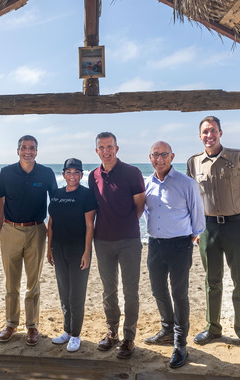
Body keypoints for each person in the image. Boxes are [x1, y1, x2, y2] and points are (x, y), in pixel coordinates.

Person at [186, 116, 240, 356]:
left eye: (213, 131)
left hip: (237, 228)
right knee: (212, 282)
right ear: (200, 136)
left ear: (221, 132)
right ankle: (213, 328)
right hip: (208, 229)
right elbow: (190, 200)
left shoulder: (239, 157)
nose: (209, 135)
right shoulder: (193, 163)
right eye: (205, 132)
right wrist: (192, 230)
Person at [143, 141, 205, 368]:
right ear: (150, 158)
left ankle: (180, 343)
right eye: (155, 155)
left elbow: (197, 214)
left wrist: (192, 236)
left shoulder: (185, 183)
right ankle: (167, 330)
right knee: (158, 290)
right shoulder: (146, 183)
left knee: (179, 294)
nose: (160, 159)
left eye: (164, 155)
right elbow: (146, 212)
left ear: (172, 157)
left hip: (180, 245)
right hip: (154, 245)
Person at [88, 132, 145, 359]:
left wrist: (126, 225)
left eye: (109, 146)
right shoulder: (93, 176)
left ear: (116, 148)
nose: (106, 151)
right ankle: (112, 332)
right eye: (102, 147)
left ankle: (129, 338)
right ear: (97, 151)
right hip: (102, 242)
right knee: (108, 290)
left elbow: (139, 206)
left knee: (130, 292)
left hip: (129, 241)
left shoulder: (132, 172)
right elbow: (93, 208)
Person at [0, 135, 57, 346]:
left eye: (32, 148)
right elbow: (0, 198)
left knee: (33, 283)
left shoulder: (47, 173)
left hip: (37, 230)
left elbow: (55, 203)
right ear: (18, 150)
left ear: (37, 151)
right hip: (11, 230)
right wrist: (1, 224)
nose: (27, 151)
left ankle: (32, 326)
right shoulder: (6, 172)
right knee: (11, 282)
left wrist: (51, 231)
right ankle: (11, 324)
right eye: (24, 147)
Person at [47, 158, 98, 352]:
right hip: (58, 248)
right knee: (64, 292)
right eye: (69, 172)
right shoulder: (57, 194)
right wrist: (49, 248)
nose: (72, 176)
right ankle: (67, 331)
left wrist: (86, 252)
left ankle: (76, 334)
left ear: (81, 175)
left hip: (78, 249)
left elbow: (89, 226)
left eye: (76, 172)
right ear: (63, 174)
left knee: (76, 294)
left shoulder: (86, 195)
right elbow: (50, 223)